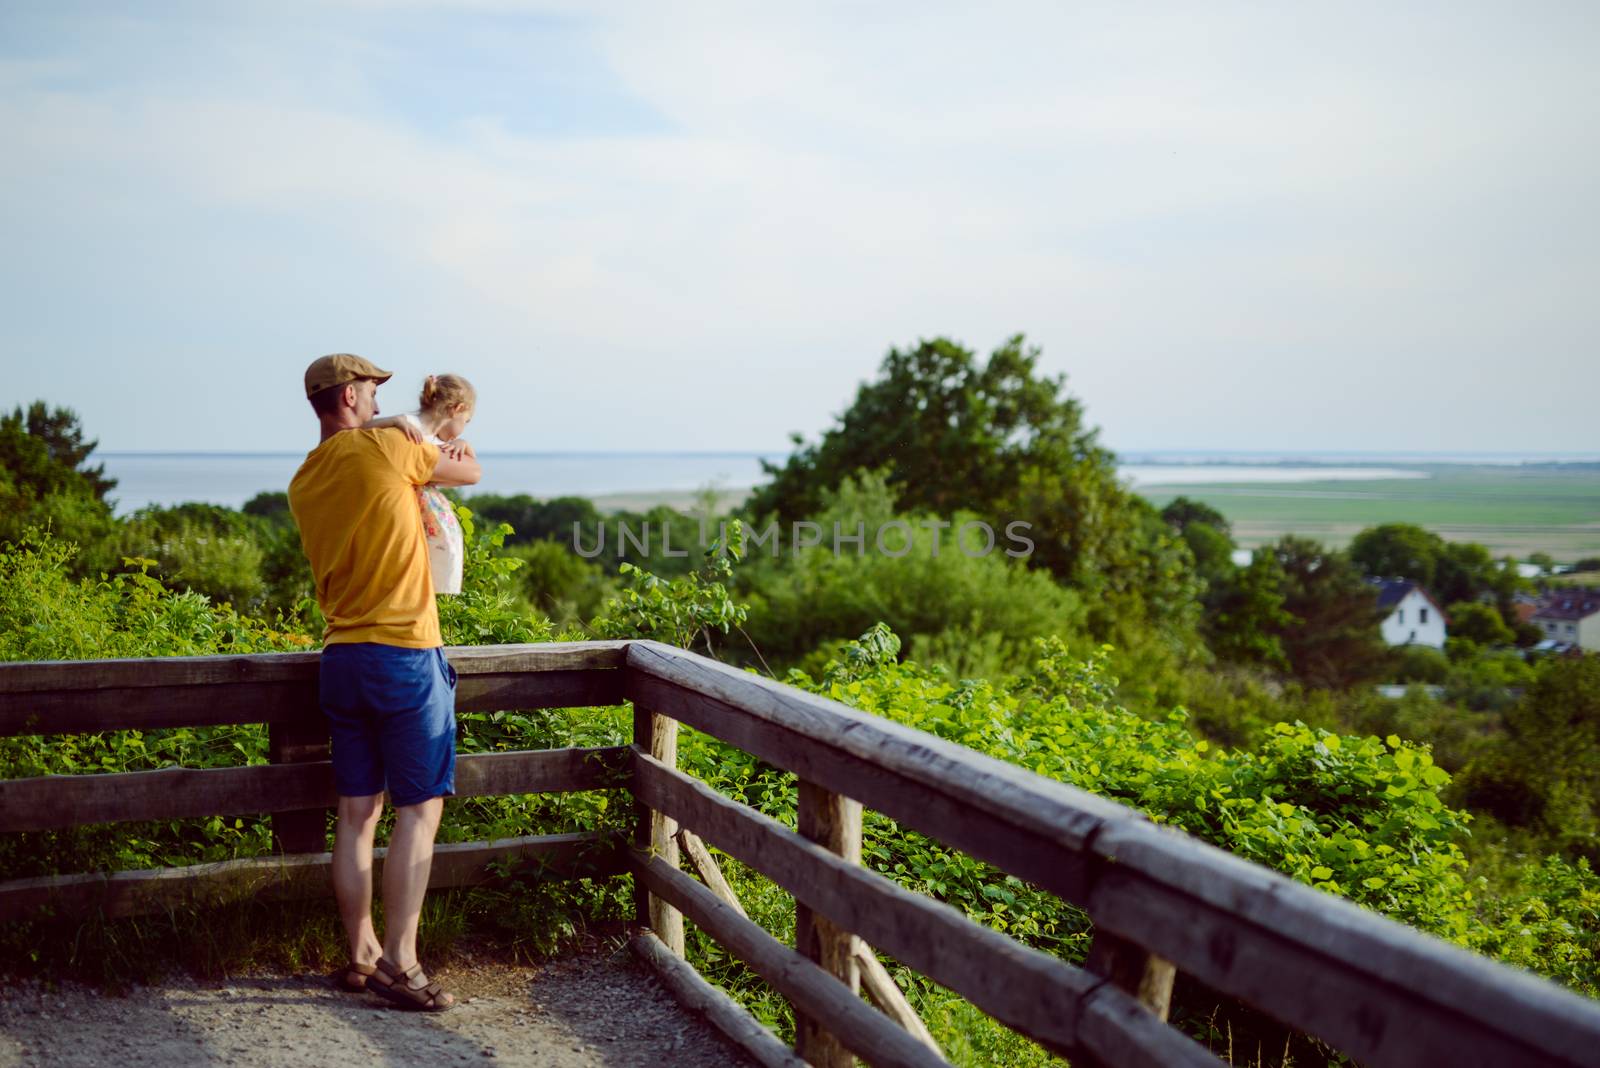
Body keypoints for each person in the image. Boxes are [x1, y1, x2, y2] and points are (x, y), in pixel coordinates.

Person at [287, 353, 482, 1012]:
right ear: (347, 396)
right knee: (419, 812)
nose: (376, 400)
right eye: (370, 390)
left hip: (341, 657)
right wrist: (447, 432)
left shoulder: (305, 478)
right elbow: (470, 470)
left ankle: (362, 953)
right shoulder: (386, 448)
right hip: (403, 653)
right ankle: (403, 962)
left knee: (355, 815)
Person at [364, 373, 477, 595]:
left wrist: (464, 444)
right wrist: (393, 420)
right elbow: (362, 429)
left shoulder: (437, 439)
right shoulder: (408, 425)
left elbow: (473, 466)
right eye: (466, 421)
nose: (463, 429)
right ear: (457, 409)